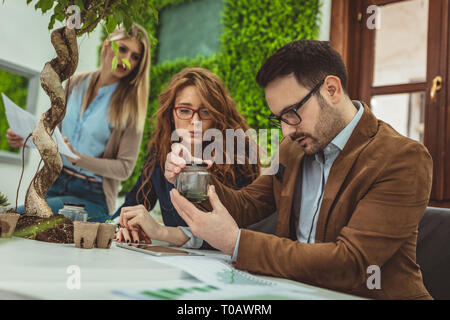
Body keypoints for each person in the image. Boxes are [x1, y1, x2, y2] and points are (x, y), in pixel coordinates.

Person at [123, 40, 433, 300]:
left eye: (292, 113)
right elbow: (246, 206)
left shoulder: (402, 158)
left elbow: (352, 263)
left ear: (332, 89)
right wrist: (191, 174)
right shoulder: (293, 149)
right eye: (279, 119)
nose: (285, 131)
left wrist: (236, 243)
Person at [7, 24, 151, 222]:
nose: (126, 60)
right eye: (123, 49)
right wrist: (28, 137)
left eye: (135, 57)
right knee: (14, 218)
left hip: (91, 196)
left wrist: (77, 158)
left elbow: (124, 168)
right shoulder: (76, 82)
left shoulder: (130, 107)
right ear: (107, 46)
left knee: (18, 217)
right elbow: (56, 133)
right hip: (54, 181)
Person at [114, 67, 259, 246]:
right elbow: (133, 203)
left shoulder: (238, 153)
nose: (195, 122)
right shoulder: (160, 152)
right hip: (178, 263)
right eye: (184, 110)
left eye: (205, 112)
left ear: (217, 115)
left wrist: (162, 232)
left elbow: (234, 233)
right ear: (171, 114)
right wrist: (125, 225)